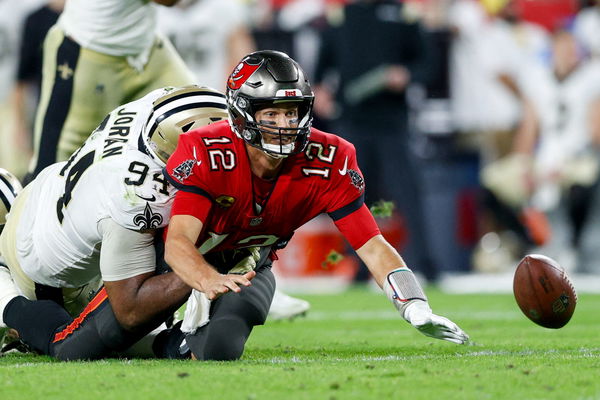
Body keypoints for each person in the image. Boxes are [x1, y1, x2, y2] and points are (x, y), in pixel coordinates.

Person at [162, 50, 470, 361]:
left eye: (291, 113)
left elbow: (372, 245)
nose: (284, 124)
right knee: (113, 332)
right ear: (243, 113)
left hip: (249, 265)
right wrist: (207, 278)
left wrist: (414, 304)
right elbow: (177, 243)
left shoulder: (328, 159)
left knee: (218, 349)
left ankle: (170, 344)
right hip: (182, 261)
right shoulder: (207, 148)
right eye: (271, 114)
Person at [0, 85, 255, 360]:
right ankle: (15, 315)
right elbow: (129, 311)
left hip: (43, 196)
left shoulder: (155, 111)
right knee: (78, 343)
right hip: (47, 274)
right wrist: (207, 270)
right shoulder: (139, 193)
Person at [313, 0, 438, 281]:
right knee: (351, 197)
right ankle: (358, 267)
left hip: (392, 122)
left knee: (407, 193)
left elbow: (428, 63)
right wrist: (320, 91)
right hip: (352, 122)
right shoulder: (341, 17)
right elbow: (322, 66)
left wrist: (406, 74)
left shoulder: (403, 15)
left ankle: (426, 264)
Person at [27, 0, 197, 181]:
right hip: (89, 51)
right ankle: (25, 207)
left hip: (145, 47)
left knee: (198, 119)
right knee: (54, 168)